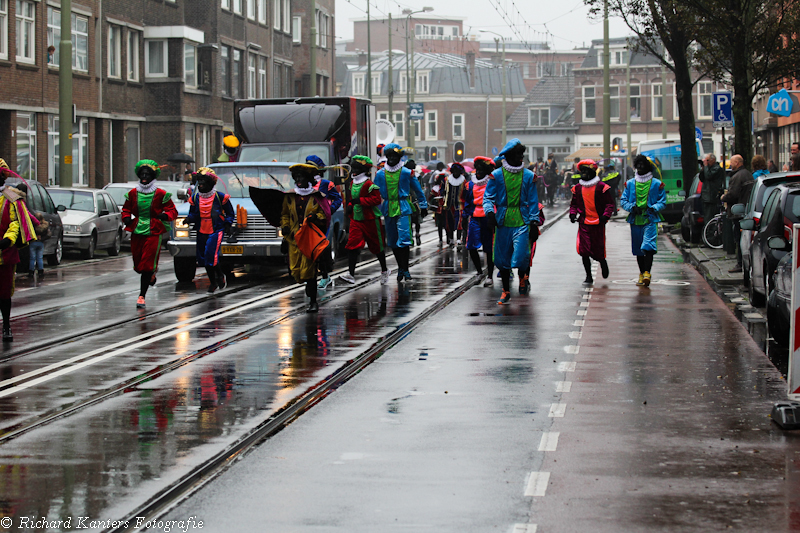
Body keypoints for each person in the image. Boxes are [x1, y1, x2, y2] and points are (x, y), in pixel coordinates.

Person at [483, 138, 540, 304]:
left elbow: (533, 200)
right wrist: (489, 213)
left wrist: (534, 222)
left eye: (522, 155)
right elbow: (488, 198)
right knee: (502, 258)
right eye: (517, 155)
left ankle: (523, 276)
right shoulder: (497, 175)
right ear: (508, 157)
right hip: (502, 220)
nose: (521, 158)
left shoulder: (529, 176)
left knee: (522, 254)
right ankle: (506, 291)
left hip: (522, 219)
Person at [122, 160, 178, 308]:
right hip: (137, 230)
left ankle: (141, 296)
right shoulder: (133, 193)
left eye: (148, 174)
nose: (144, 176)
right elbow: (126, 209)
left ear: (153, 176)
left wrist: (164, 216)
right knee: (138, 266)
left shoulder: (161, 194)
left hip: (154, 231)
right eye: (142, 174)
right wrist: (126, 218)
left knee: (146, 265)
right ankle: (151, 274)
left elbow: (173, 211)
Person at [281, 163, 332, 313]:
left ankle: (313, 301)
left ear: (308, 179)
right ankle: (310, 291)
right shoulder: (289, 196)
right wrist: (284, 226)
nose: (298, 180)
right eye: (296, 177)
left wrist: (315, 217)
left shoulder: (317, 197)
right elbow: (284, 214)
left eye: (301, 177)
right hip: (293, 239)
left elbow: (325, 214)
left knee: (310, 271)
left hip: (309, 238)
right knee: (296, 271)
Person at [374, 143, 428, 282]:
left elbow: (418, 190)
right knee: (392, 241)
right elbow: (374, 193)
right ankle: (400, 268)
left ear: (399, 157)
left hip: (403, 207)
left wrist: (423, 205)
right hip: (387, 207)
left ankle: (405, 269)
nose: (391, 158)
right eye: (389, 156)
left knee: (404, 239)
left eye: (394, 156)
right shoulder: (380, 174)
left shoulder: (406, 172)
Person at [0, 160, 37, 341]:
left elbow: (16, 222)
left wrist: (8, 239)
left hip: (5, 253)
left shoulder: (11, 199)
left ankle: (6, 326)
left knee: (4, 292)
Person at [339, 156, 389, 285]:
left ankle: (384, 270)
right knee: (352, 245)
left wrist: (360, 201)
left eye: (356, 168)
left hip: (370, 220)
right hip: (356, 220)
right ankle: (351, 274)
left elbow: (377, 200)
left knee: (377, 246)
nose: (353, 171)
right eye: (353, 168)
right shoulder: (352, 183)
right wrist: (350, 206)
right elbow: (351, 198)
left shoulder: (370, 185)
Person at [620, 155, 667, 287]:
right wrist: (631, 207)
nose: (640, 167)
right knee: (638, 249)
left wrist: (654, 208)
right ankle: (641, 273)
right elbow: (623, 200)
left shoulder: (657, 184)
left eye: (643, 164)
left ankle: (647, 272)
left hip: (650, 219)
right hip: (635, 219)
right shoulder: (629, 184)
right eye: (638, 164)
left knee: (648, 246)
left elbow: (662, 201)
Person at [187, 167, 235, 294]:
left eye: (204, 182)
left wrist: (228, 224)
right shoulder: (195, 198)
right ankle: (214, 280)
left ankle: (219, 276)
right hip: (201, 230)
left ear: (211, 183)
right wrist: (188, 219)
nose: (201, 185)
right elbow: (193, 214)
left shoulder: (221, 197)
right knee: (203, 259)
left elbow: (230, 213)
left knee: (210, 254)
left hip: (216, 230)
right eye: (200, 182)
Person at [570, 159, 614, 284]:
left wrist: (605, 216)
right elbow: (573, 204)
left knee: (597, 249)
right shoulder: (577, 189)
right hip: (584, 223)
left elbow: (609, 204)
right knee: (584, 251)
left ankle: (602, 262)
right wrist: (573, 214)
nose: (584, 173)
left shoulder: (602, 187)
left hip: (598, 223)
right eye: (582, 171)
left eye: (586, 171)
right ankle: (588, 276)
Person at [304, 155, 342, 290]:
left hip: (321, 221)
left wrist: (329, 210)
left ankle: (325, 276)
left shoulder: (326, 184)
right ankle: (310, 275)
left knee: (320, 248)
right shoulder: (303, 182)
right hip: (307, 221)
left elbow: (338, 199)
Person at [464, 156, 496, 285]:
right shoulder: (470, 184)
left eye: (482, 169)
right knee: (471, 245)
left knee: (489, 248)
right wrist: (465, 215)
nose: (479, 171)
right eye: (477, 169)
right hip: (474, 217)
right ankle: (479, 272)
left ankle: (490, 276)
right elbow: (467, 201)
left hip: (488, 217)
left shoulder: (491, 182)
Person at [721, 154, 754, 273]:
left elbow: (733, 194)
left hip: (738, 212)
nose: (730, 164)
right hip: (745, 210)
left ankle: (740, 263)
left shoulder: (737, 176)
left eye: (732, 162)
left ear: (737, 163)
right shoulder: (748, 174)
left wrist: (724, 197)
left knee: (739, 238)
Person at [699, 153, 725, 233]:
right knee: (706, 217)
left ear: (713, 160)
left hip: (711, 197)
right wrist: (703, 168)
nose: (706, 162)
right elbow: (702, 178)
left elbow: (709, 176)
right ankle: (707, 235)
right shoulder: (708, 169)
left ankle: (710, 236)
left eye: (707, 160)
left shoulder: (717, 168)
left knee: (709, 218)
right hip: (706, 197)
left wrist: (706, 166)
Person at [444, 162, 467, 246]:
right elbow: (443, 191)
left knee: (459, 223)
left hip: (459, 205)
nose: (456, 172)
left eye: (457, 171)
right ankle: (450, 239)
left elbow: (466, 193)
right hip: (448, 205)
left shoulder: (463, 181)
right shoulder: (446, 180)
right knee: (449, 223)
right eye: (454, 171)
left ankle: (458, 239)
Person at [405, 159, 423, 246]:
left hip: (409, 201)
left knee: (411, 221)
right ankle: (417, 234)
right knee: (416, 221)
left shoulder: (405, 176)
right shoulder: (417, 176)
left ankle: (412, 236)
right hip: (414, 201)